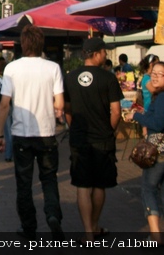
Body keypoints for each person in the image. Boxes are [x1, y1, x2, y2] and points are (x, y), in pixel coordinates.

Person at [0, 25, 64, 240]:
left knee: (24, 184)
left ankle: (29, 227)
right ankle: (53, 215)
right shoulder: (53, 68)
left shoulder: (12, 69)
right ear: (41, 43)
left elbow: (4, 104)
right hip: (47, 134)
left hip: (21, 134)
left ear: (23, 44)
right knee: (49, 179)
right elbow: (60, 103)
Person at [64, 37, 123, 244]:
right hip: (103, 140)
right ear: (97, 53)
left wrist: (74, 128)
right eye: (104, 52)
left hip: (79, 139)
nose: (105, 55)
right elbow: (116, 111)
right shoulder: (108, 78)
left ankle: (88, 233)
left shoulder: (70, 78)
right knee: (99, 185)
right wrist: (109, 130)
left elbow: (67, 109)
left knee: (82, 185)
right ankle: (95, 225)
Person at [125, 61, 164, 243]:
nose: (154, 77)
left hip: (159, 152)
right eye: (153, 73)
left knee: (148, 189)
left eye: (160, 74)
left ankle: (155, 235)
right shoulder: (158, 96)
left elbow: (157, 124)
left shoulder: (162, 98)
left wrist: (136, 116)